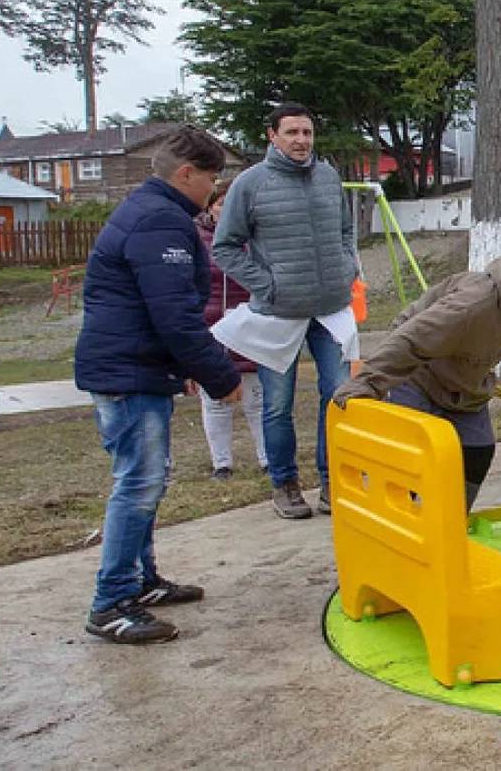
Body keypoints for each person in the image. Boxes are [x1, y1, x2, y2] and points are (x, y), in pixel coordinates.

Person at [75, 126, 242, 644]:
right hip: (128, 372)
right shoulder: (160, 222)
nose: (213, 189)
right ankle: (112, 603)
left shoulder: (153, 213)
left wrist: (183, 367)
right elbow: (174, 315)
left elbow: (165, 311)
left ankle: (140, 582)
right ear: (185, 173)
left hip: (137, 366)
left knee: (148, 479)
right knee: (139, 484)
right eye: (211, 178)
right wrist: (219, 374)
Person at [331, 239, 501, 511]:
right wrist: (365, 383)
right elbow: (411, 340)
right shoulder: (473, 305)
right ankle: (395, 523)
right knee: (410, 460)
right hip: (419, 372)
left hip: (463, 383)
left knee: (478, 450)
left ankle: (450, 527)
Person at [211, 102, 359, 521]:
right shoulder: (249, 184)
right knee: (278, 405)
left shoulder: (329, 177)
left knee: (339, 398)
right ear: (272, 136)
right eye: (291, 132)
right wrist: (268, 285)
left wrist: (347, 266)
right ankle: (285, 484)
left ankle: (334, 482)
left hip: (330, 310)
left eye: (307, 133)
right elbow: (225, 248)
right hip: (279, 315)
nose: (301, 140)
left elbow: (346, 231)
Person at [194, 180, 268, 480]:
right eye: (220, 203)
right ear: (210, 206)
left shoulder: (253, 238)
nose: (226, 210)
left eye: (231, 203)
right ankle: (221, 463)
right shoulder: (196, 238)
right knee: (214, 398)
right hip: (210, 324)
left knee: (256, 398)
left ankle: (267, 459)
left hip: (248, 323)